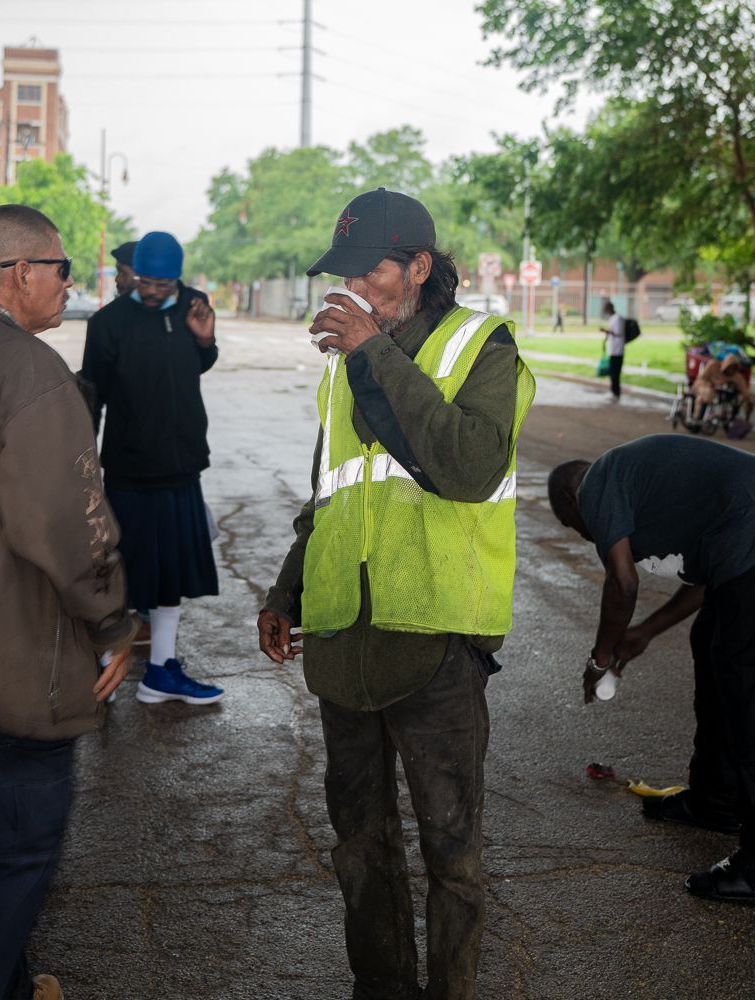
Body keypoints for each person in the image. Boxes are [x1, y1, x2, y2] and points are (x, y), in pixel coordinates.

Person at [257, 187, 536, 999]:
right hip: (346, 642)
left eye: (368, 270)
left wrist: (375, 349)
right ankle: (381, 987)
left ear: (418, 267)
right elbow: (335, 494)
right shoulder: (347, 366)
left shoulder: (481, 346)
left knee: (452, 850)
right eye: (345, 273)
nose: (351, 288)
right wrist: (287, 592)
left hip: (436, 639)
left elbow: (467, 465)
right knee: (359, 843)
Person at [0, 204, 135, 1000]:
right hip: (10, 675)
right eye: (63, 268)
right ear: (21, 273)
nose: (72, 283)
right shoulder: (30, 372)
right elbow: (67, 524)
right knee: (9, 860)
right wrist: (113, 623)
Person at [548, 434, 755, 903]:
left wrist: (599, 659)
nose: (592, 537)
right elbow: (708, 580)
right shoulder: (640, 485)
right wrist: (644, 633)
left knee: (745, 693)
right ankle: (715, 800)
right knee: (713, 647)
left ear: (569, 499)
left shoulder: (596, 483)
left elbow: (623, 585)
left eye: (581, 529)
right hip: (740, 545)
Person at [81, 231, 224, 705]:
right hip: (129, 469)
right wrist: (86, 470)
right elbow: (93, 397)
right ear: (133, 274)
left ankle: (160, 670)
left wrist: (207, 342)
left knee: (170, 575)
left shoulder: (194, 307)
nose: (155, 290)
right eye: (146, 281)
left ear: (177, 277)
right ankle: (107, 668)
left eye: (164, 282)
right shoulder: (108, 323)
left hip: (181, 466)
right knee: (121, 575)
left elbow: (195, 364)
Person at [691, 352, 754, 424]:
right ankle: (697, 416)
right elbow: (702, 378)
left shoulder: (736, 376)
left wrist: (749, 399)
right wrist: (711, 384)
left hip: (720, 392)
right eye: (730, 367)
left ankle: (739, 421)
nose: (731, 369)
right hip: (705, 387)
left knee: (744, 400)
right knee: (706, 394)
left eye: (734, 367)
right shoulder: (713, 365)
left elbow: (744, 389)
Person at [600, 300, 625, 399]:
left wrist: (606, 331)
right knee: (612, 372)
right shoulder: (612, 319)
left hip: (618, 350)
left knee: (615, 372)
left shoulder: (618, 319)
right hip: (612, 349)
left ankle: (616, 392)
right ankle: (613, 391)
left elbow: (618, 333)